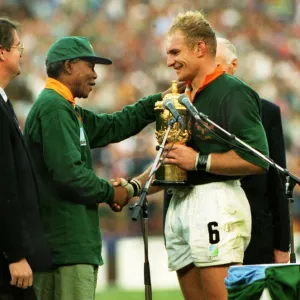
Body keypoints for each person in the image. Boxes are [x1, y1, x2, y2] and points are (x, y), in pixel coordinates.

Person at [114, 11, 269, 299]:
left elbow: (258, 158)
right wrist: (135, 186)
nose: (169, 61)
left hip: (217, 201)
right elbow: (173, 158)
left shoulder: (233, 92)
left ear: (200, 48)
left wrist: (198, 160)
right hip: (180, 201)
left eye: (175, 52)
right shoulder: (178, 96)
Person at [23, 36, 179, 300]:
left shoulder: (67, 109)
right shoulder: (53, 108)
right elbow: (69, 174)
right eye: (90, 66)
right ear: (70, 66)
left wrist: (158, 101)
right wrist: (112, 192)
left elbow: (114, 125)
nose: (95, 75)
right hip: (65, 247)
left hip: (69, 245)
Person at [215, 37, 290, 264]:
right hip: (211, 230)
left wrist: (282, 243)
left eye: (217, 64)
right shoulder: (193, 110)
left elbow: (278, 180)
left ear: (233, 65)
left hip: (257, 233)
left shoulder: (266, 111)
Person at [0, 17, 51, 300]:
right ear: (1, 51)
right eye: (18, 46)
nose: (22, 52)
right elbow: (4, 184)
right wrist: (15, 254)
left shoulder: (3, 101)